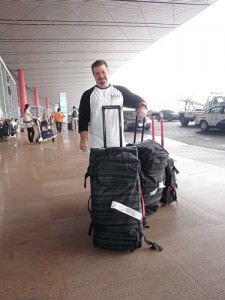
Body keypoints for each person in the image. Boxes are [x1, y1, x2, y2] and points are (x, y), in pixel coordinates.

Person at [78, 59, 148, 151]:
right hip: (97, 146)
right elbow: (83, 119)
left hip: (119, 145)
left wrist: (142, 107)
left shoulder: (120, 91)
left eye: (103, 72)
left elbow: (137, 100)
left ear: (108, 72)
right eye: (97, 73)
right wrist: (84, 139)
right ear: (93, 75)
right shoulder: (88, 95)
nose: (101, 76)